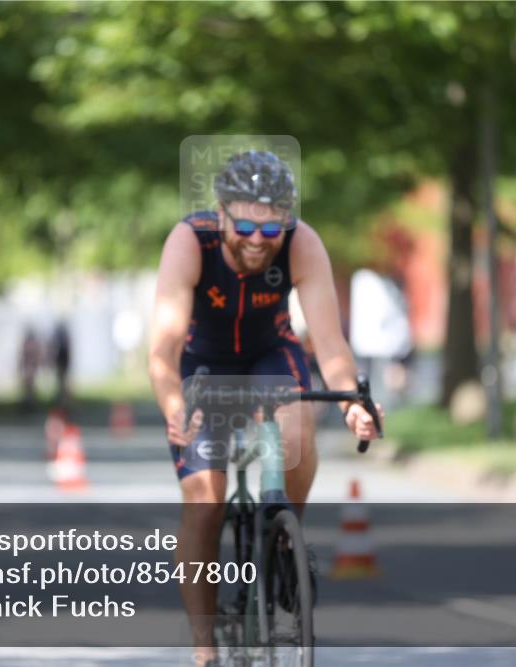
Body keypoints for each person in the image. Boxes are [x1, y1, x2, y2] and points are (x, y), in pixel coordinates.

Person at [148, 150, 383, 663]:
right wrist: (172, 402)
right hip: (201, 364)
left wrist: (351, 405)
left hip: (268, 354)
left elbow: (331, 345)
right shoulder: (190, 242)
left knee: (297, 430)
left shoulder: (302, 243)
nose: (258, 239)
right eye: (246, 224)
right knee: (204, 499)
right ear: (223, 212)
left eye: (271, 228)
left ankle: (283, 540)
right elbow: (163, 349)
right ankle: (204, 646)